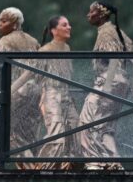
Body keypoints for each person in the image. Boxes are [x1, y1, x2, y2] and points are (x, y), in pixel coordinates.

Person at [78, 1, 133, 170]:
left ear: (100, 14)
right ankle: (114, 164)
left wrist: (106, 88)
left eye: (91, 11)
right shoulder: (116, 30)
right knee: (106, 128)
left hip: (109, 81)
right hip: (121, 82)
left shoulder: (107, 32)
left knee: (87, 123)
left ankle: (95, 165)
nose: (88, 15)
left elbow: (114, 58)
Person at [0, 7, 43, 170]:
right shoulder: (33, 40)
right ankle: (31, 167)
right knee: (24, 132)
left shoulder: (6, 41)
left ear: (15, 24)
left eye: (4, 21)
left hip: (15, 90)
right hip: (35, 91)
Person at [32, 16, 80, 170]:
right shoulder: (45, 51)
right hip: (51, 95)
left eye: (69, 24)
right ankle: (41, 168)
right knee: (56, 135)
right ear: (54, 30)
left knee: (76, 130)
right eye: (64, 25)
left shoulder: (67, 48)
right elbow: (35, 78)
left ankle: (67, 167)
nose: (69, 27)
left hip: (66, 96)